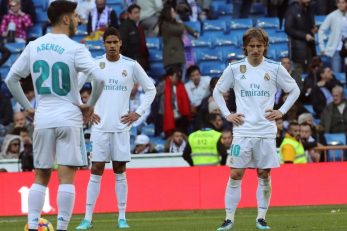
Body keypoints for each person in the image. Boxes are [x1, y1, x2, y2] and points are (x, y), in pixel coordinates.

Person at [4, 1, 105, 230]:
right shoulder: (75, 48)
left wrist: (27, 107)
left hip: (43, 118)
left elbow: (11, 79)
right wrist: (89, 105)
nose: (79, 20)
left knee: (40, 177)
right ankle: (61, 228)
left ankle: (31, 226)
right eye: (76, 16)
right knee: (66, 178)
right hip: (69, 117)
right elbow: (99, 79)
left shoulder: (34, 45)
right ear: (66, 19)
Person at [213, 28, 300, 230]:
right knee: (235, 174)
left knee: (263, 174)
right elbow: (218, 91)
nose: (255, 49)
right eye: (251, 46)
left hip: (265, 131)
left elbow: (294, 89)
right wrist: (228, 114)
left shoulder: (275, 68)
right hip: (242, 131)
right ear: (245, 47)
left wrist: (282, 111)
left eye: (259, 46)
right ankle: (229, 219)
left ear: (265, 47)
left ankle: (261, 218)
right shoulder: (235, 69)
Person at [76, 26, 156, 229]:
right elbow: (74, 88)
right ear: (103, 44)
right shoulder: (95, 65)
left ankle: (122, 217)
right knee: (96, 170)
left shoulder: (131, 65)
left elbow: (150, 89)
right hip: (100, 127)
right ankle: (87, 218)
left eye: (115, 42)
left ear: (120, 43)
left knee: (120, 170)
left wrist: (138, 112)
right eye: (108, 42)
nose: (112, 46)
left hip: (121, 127)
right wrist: (85, 110)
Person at [285, 0, 317, 75]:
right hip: (298, 49)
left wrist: (314, 29)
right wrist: (304, 35)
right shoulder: (292, 10)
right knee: (298, 76)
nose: (308, 1)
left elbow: (310, 25)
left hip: (310, 48)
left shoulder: (310, 9)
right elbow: (288, 29)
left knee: (310, 75)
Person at [318, 0, 347, 73]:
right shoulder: (332, 15)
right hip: (336, 50)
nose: (341, 4)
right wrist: (322, 47)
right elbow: (321, 30)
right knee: (336, 74)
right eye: (339, 2)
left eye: (343, 2)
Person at [119, 4, 149, 70]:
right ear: (129, 14)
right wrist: (132, 58)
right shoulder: (125, 26)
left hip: (139, 60)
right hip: (131, 61)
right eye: (135, 13)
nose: (138, 15)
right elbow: (123, 44)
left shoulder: (138, 26)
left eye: (138, 12)